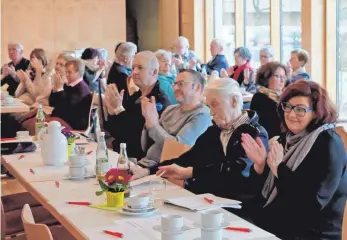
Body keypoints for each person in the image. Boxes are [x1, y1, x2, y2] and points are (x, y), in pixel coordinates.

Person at [131, 78, 269, 219]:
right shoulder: (215, 131)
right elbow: (187, 158)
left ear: (234, 101)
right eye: (208, 106)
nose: (211, 113)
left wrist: (191, 173)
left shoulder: (255, 134)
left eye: (215, 105)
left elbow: (237, 173)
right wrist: (149, 170)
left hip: (239, 210)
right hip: (208, 203)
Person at [242, 80, 347, 239]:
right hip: (278, 222)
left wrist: (279, 169)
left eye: (300, 109)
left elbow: (312, 203)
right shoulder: (288, 138)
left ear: (315, 112)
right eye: (288, 107)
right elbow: (259, 193)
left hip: (311, 232)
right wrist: (260, 166)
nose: (291, 114)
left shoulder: (329, 143)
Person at [104, 51, 171, 160]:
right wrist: (112, 111)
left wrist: (118, 110)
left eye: (140, 68)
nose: (134, 72)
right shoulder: (135, 95)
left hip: (141, 162)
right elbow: (115, 131)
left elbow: (136, 140)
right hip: (122, 154)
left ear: (154, 72)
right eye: (133, 67)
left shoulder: (157, 101)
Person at [138, 69, 211, 168]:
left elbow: (177, 150)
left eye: (181, 84)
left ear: (197, 87)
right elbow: (145, 146)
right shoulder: (170, 109)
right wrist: (148, 121)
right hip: (145, 163)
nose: (175, 88)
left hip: (164, 171)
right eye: (174, 84)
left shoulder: (202, 115)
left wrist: (153, 124)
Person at [49, 59, 92, 130]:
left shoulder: (81, 89)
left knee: (34, 123)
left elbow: (65, 108)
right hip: (61, 119)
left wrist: (59, 89)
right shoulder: (70, 85)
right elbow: (52, 103)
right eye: (66, 72)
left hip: (73, 123)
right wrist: (55, 89)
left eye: (69, 72)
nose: (66, 75)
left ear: (78, 73)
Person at [250, 62, 288, 138]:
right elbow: (270, 127)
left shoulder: (282, 96)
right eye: (278, 76)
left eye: (284, 77)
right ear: (266, 78)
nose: (282, 80)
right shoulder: (260, 97)